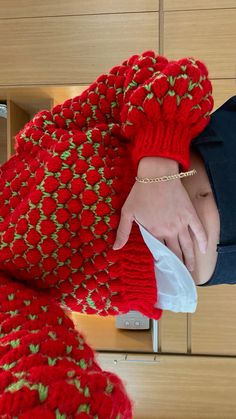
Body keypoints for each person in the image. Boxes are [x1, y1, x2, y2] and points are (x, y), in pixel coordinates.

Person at [0, 50, 214, 417]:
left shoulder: (35, 140)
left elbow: (162, 74)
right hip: (220, 253)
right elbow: (33, 376)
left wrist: (155, 166)